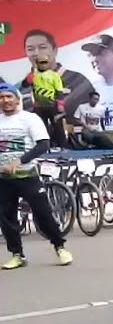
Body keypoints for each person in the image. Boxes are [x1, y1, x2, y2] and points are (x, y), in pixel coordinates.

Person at [0, 82, 72, 269]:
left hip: (28, 175)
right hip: (4, 179)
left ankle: (60, 247)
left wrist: (20, 161)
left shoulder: (29, 119)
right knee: (7, 217)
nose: (5, 101)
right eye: (1, 98)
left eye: (9, 97)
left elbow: (43, 144)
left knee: (43, 213)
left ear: (17, 99)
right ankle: (17, 254)